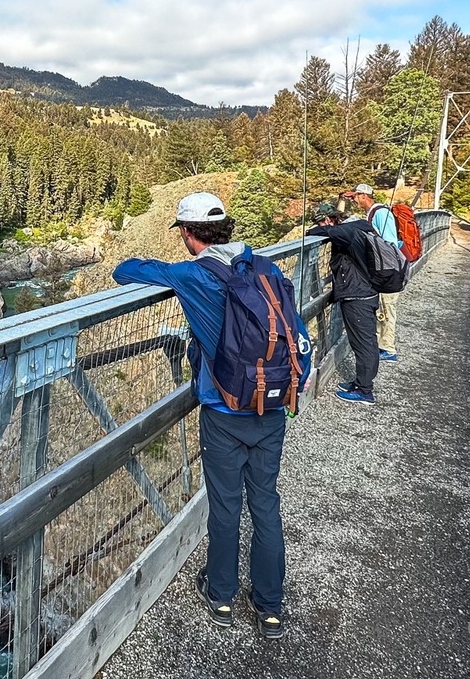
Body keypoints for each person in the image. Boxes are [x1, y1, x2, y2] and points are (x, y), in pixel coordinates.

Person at [112, 191, 294, 639]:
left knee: (227, 505)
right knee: (266, 503)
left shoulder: (192, 275)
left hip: (223, 410)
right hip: (272, 405)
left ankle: (222, 596)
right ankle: (270, 609)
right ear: (227, 228)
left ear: (189, 234)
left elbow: (126, 271)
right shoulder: (264, 266)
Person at [307, 200, 381, 405]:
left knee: (364, 342)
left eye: (322, 222)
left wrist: (323, 229)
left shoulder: (345, 232)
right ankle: (360, 382)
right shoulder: (361, 226)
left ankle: (365, 391)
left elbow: (315, 234)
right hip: (367, 291)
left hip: (358, 295)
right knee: (364, 340)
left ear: (329, 220)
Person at [344, 183, 401, 363]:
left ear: (363, 196)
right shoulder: (373, 213)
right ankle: (382, 345)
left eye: (355, 197)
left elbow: (390, 243)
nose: (354, 200)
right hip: (382, 271)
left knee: (386, 309)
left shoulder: (381, 213)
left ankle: (388, 349)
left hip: (388, 272)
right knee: (382, 309)